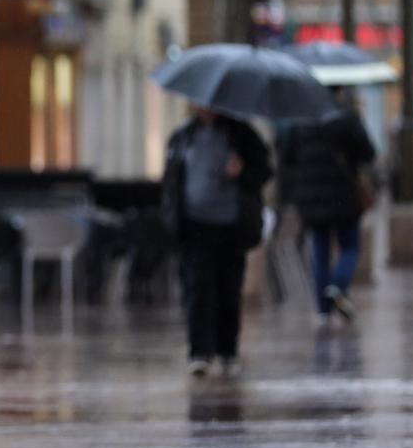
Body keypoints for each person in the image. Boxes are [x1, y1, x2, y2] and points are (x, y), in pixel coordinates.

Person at [162, 105, 272, 377]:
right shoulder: (183, 136)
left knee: (229, 289)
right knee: (197, 287)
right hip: (195, 225)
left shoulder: (242, 135)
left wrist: (242, 171)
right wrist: (172, 216)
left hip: (231, 225)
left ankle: (227, 350)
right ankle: (199, 351)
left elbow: (264, 172)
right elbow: (172, 178)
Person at [278, 92, 377, 327]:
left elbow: (286, 158)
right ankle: (338, 285)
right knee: (350, 246)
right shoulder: (347, 120)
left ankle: (323, 309)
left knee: (319, 250)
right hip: (344, 195)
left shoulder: (300, 123)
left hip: (311, 199)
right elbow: (368, 153)